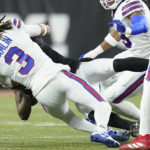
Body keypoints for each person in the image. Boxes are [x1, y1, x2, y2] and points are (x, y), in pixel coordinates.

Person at [0, 17, 121, 148]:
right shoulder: (12, 26)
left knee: (70, 119)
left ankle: (103, 132)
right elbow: (45, 29)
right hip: (57, 76)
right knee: (102, 105)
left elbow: (9, 84)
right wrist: (41, 29)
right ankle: (102, 130)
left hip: (41, 93)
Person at [79, 0, 150, 122]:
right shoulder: (119, 8)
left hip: (145, 58)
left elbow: (142, 25)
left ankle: (141, 123)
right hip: (134, 53)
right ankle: (140, 122)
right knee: (104, 84)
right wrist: (93, 53)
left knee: (109, 97)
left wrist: (127, 30)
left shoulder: (130, 3)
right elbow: (116, 34)